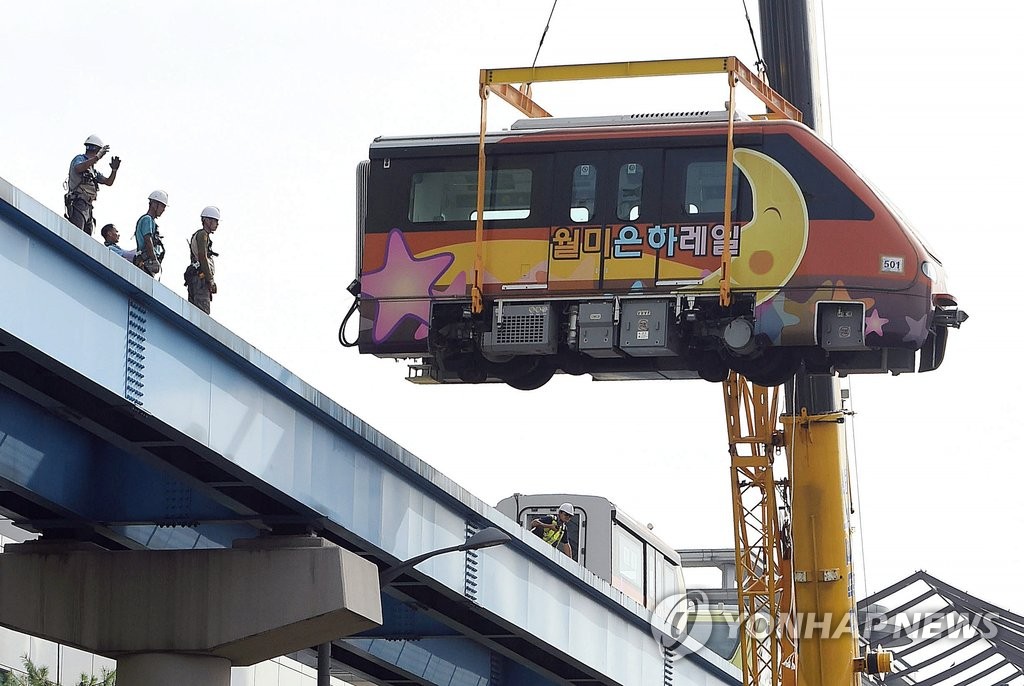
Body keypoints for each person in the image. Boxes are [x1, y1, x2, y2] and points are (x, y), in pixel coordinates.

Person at [65, 135, 120, 235]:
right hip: (78, 203)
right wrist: (97, 157)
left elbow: (108, 182)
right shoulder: (79, 159)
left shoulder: (92, 170)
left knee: (86, 238)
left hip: (88, 207)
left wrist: (114, 170)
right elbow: (78, 168)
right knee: (76, 236)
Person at [185, 206, 220, 314]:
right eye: (215, 221)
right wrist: (210, 280)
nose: (217, 224)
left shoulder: (199, 235)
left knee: (194, 312)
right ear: (207, 220)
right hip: (200, 279)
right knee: (202, 312)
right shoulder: (203, 235)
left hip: (195, 278)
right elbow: (203, 257)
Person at [134, 190, 168, 276]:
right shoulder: (147, 219)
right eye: (162, 206)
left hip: (146, 262)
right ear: (154, 204)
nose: (163, 210)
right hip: (146, 262)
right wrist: (154, 260)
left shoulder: (151, 221)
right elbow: (148, 240)